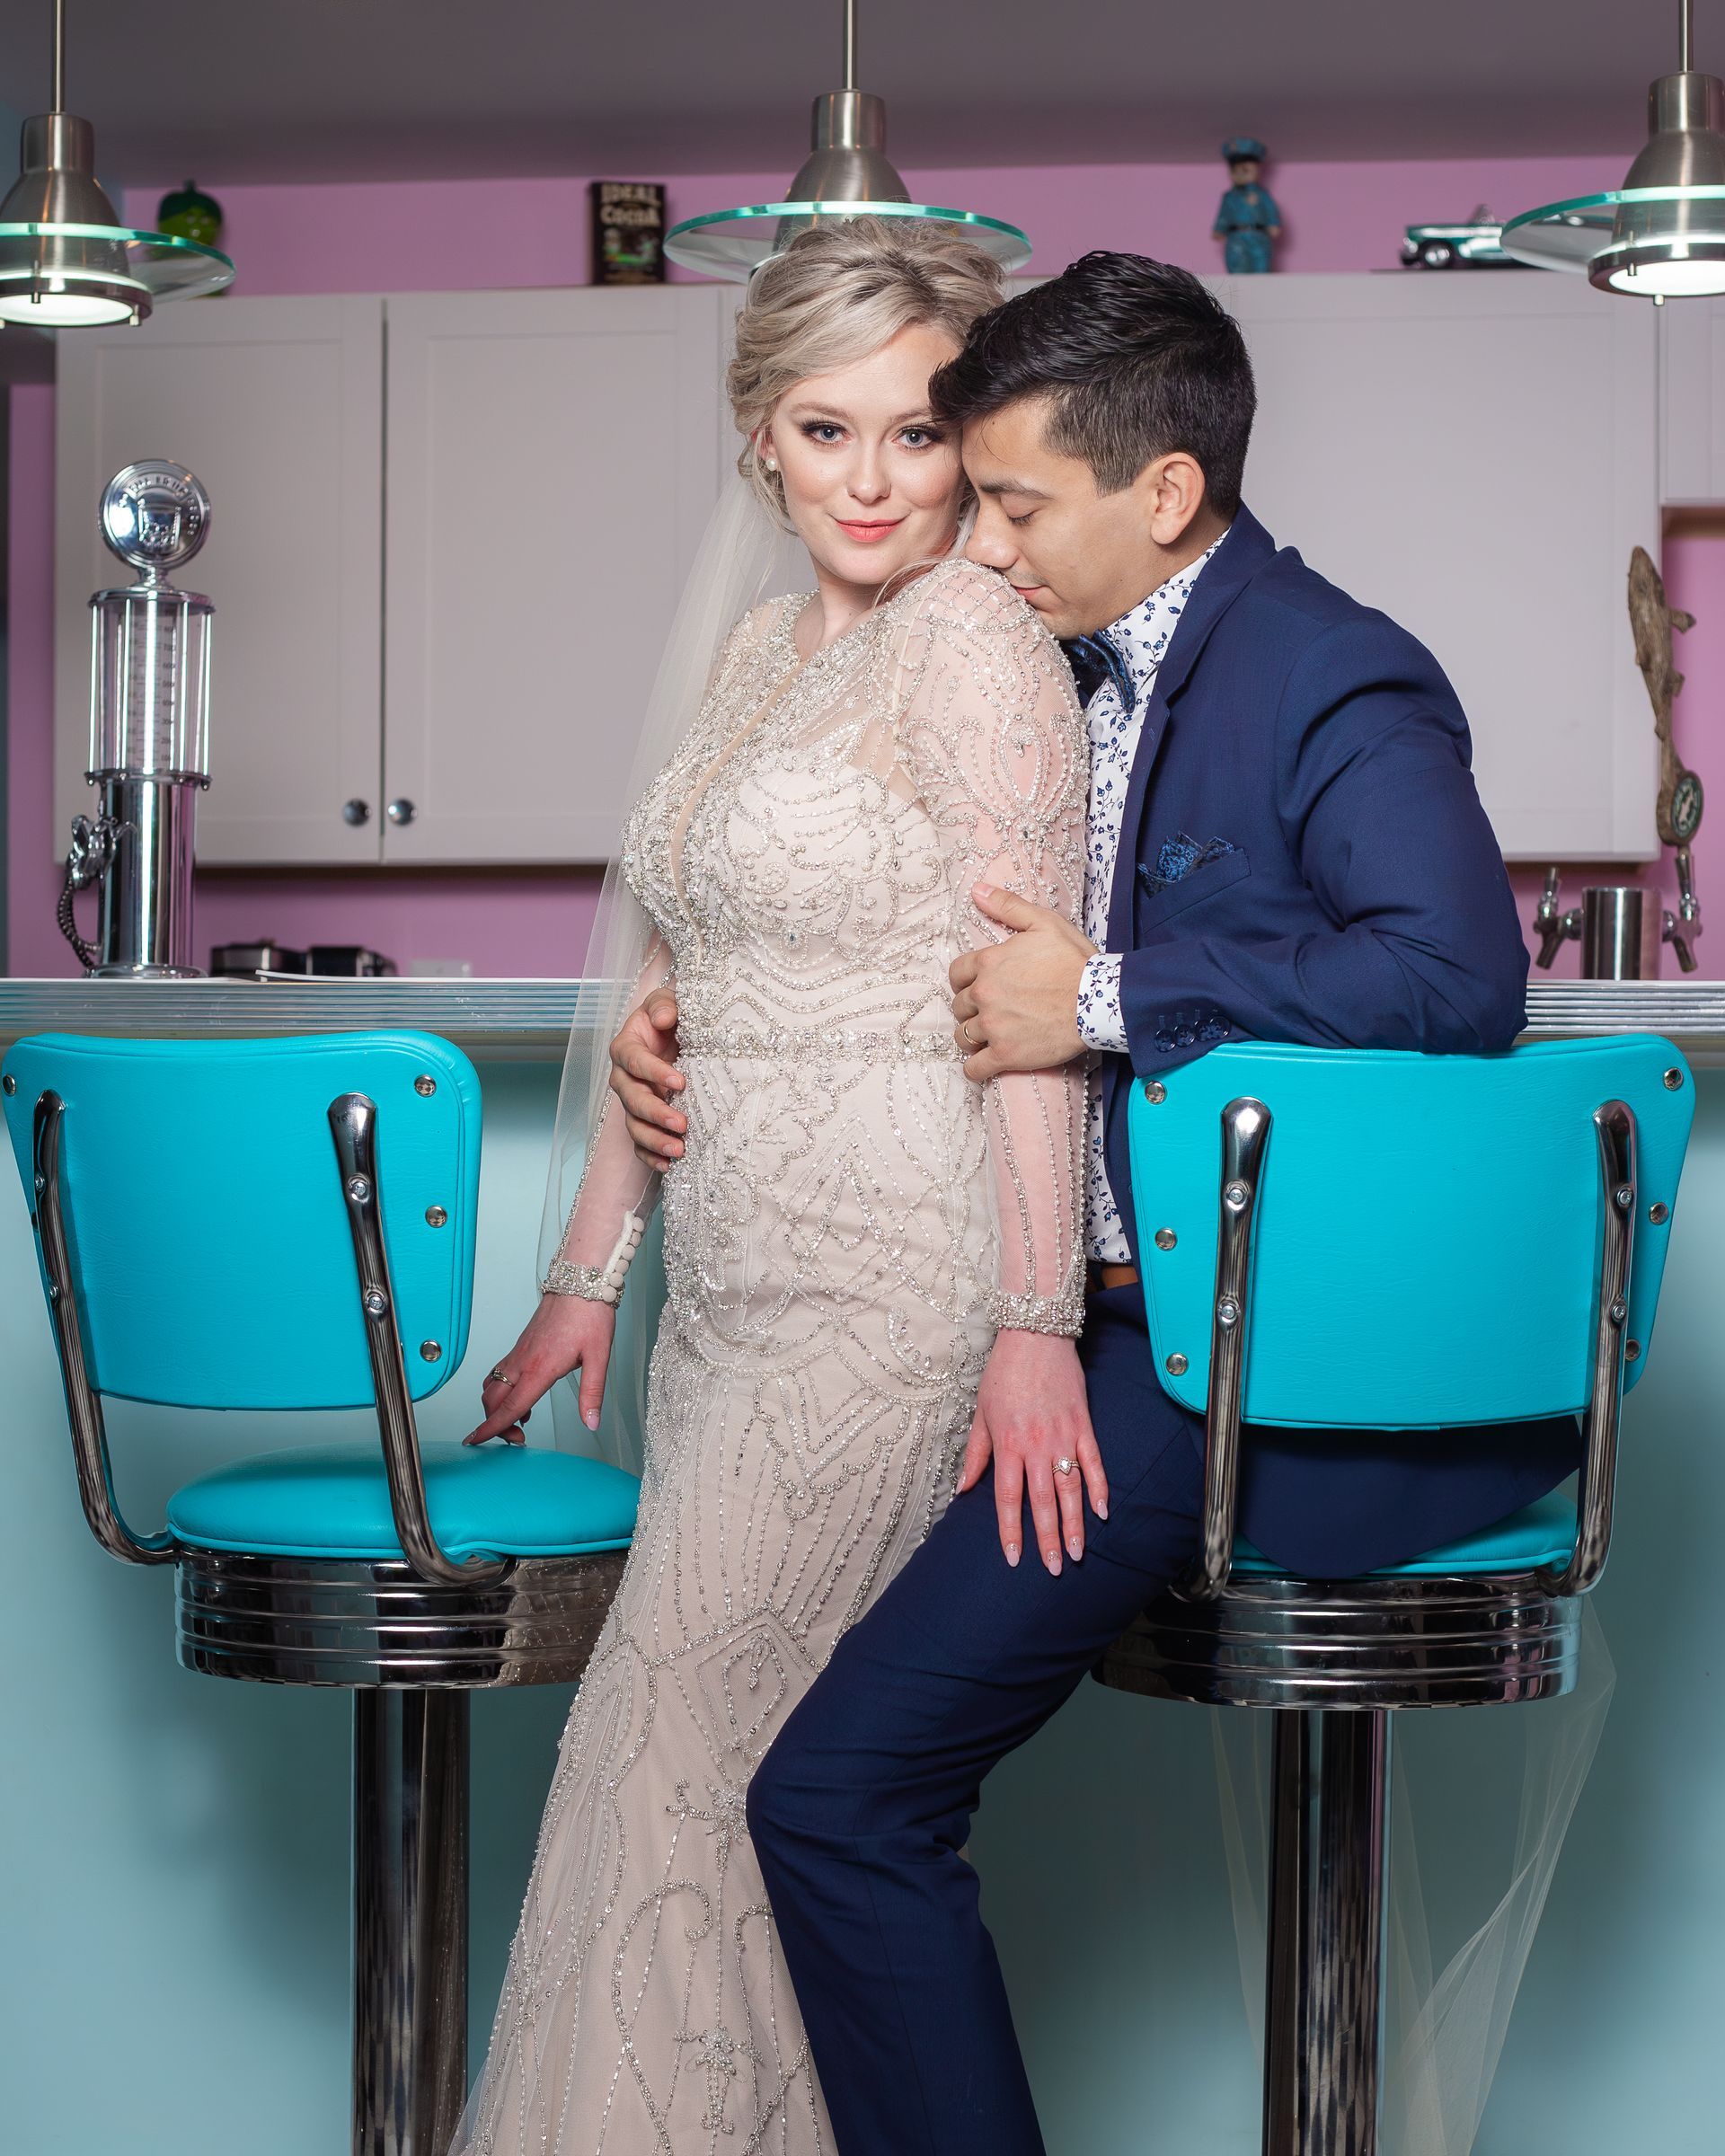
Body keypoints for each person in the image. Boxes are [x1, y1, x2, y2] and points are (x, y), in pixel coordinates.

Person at [615, 253, 1582, 2155]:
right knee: (820, 1785)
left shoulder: (1335, 669)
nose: (977, 539)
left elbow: (1458, 979)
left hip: (1284, 1381)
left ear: (1166, 495)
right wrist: (699, 999)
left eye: (1013, 500)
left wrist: (1116, 995)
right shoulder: (1045, 649)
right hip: (1121, 1340)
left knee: (832, 1793)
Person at [451, 217, 1091, 2156]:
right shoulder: (751, 654)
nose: (879, 483)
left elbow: (1031, 1007)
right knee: (710, 1798)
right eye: (830, 434)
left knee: (665, 1766)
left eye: (920, 433)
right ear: (762, 440)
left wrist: (1034, 1323)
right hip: (724, 1301)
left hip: (894, 1295)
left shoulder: (975, 641)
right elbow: (674, 987)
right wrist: (586, 1269)